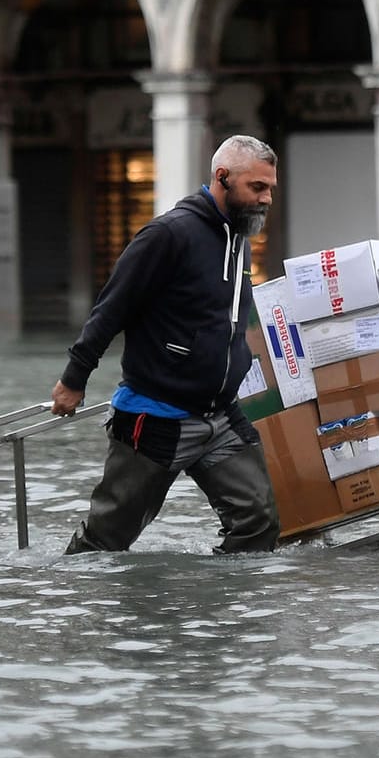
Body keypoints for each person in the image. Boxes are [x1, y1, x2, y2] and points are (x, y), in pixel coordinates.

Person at [50, 135, 282, 554]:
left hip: (220, 417)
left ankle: (220, 614)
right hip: (155, 416)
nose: (266, 198)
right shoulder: (168, 234)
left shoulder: (241, 241)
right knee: (105, 543)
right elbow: (110, 309)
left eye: (270, 189)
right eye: (257, 188)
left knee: (258, 521)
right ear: (222, 177)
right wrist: (74, 379)